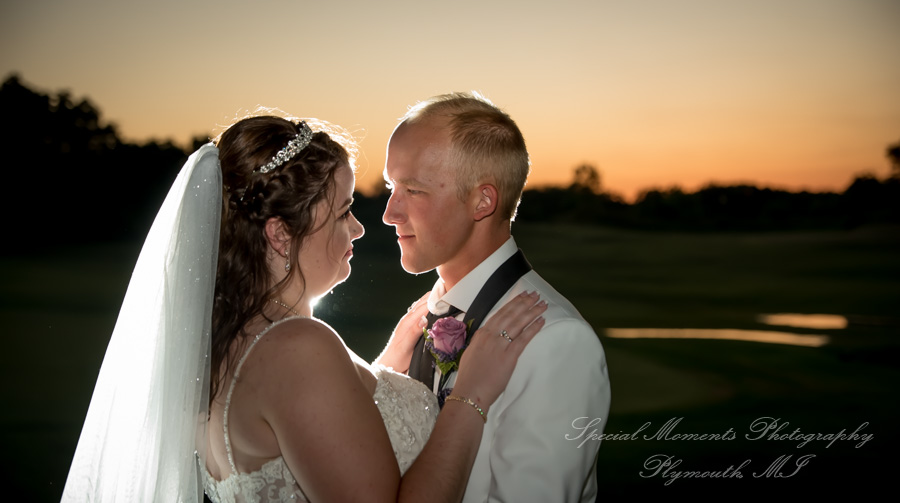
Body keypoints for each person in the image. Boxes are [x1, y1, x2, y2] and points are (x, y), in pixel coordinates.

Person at [61, 114, 547, 503]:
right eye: (341, 213)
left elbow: (312, 446)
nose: (358, 229)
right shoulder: (297, 349)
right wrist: (472, 394)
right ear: (280, 234)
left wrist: (379, 373)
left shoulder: (233, 340)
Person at [379, 92, 611, 502]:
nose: (390, 213)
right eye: (390, 186)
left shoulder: (555, 341)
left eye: (413, 190)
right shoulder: (418, 323)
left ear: (483, 201)